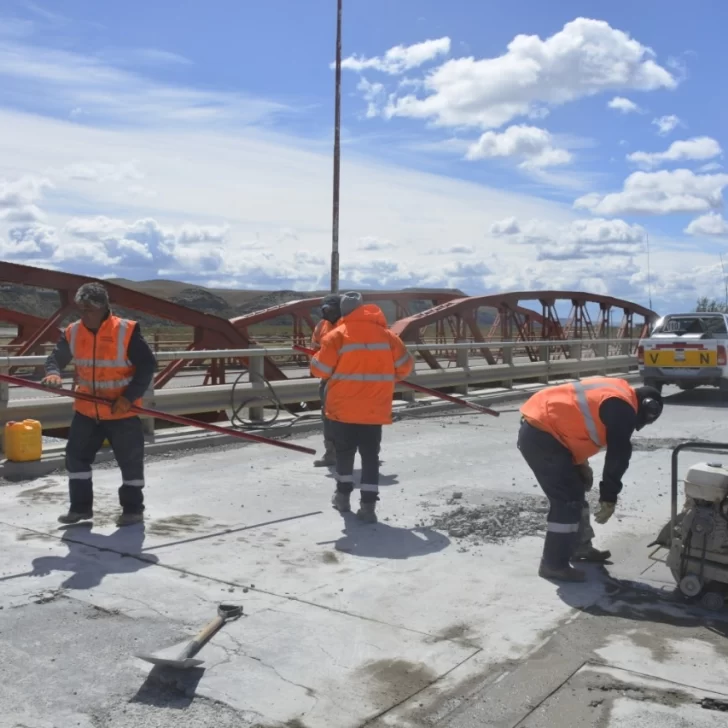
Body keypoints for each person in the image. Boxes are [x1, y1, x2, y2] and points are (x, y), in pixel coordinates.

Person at [517, 376, 663, 582]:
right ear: (647, 408)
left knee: (576, 489)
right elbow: (618, 456)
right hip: (542, 436)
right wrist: (609, 497)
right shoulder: (623, 408)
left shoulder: (618, 392)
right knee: (566, 502)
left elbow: (577, 418)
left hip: (547, 431)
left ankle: (579, 547)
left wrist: (581, 462)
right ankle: (553, 565)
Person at [41, 282, 157, 527]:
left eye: (89, 310)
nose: (84, 315)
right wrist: (53, 372)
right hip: (87, 411)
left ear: (104, 307)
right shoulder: (73, 332)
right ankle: (80, 508)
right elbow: (56, 358)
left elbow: (147, 365)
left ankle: (133, 509)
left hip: (121, 411)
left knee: (130, 463)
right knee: (76, 458)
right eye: (80, 310)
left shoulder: (126, 331)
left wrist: (129, 397)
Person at [310, 291, 414, 523]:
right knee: (370, 457)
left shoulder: (336, 336)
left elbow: (320, 370)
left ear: (344, 312)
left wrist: (317, 357)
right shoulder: (388, 337)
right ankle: (368, 507)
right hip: (374, 409)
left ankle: (343, 498)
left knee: (345, 454)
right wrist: (383, 379)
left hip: (342, 409)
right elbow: (405, 367)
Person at [310, 294, 342, 467]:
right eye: (324, 309)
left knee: (352, 417)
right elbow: (314, 348)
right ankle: (331, 453)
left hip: (347, 379)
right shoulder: (321, 326)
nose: (326, 312)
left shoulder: (347, 325)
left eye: (330, 309)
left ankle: (359, 451)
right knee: (328, 418)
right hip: (328, 380)